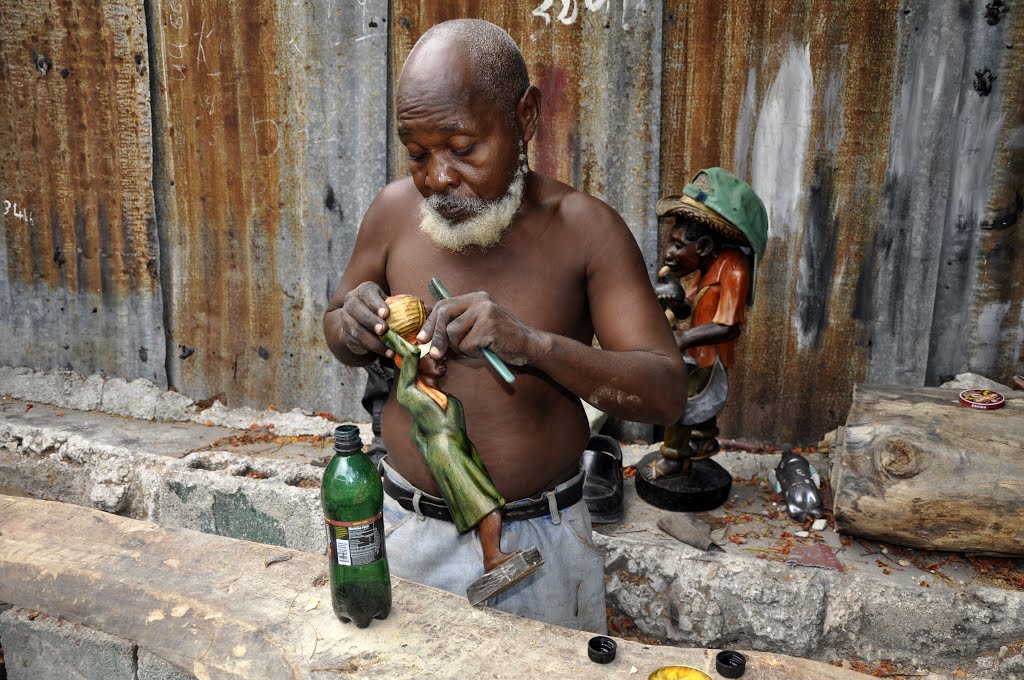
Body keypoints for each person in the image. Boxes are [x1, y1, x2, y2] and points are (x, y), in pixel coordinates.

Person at [322, 18, 686, 633]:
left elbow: (666, 392)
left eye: (463, 149)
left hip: (535, 546)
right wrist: (352, 325)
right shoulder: (392, 213)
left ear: (524, 115)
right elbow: (337, 322)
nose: (437, 177)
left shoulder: (583, 230)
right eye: (417, 153)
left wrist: (533, 345)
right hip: (400, 529)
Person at [649, 168, 767, 479]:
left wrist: (684, 340)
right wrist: (673, 296)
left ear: (701, 247)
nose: (669, 252)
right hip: (697, 357)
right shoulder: (707, 266)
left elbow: (729, 327)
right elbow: (689, 307)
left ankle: (674, 459)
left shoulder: (734, 270)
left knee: (680, 405)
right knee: (694, 411)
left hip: (710, 361)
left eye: (677, 245)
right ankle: (701, 444)